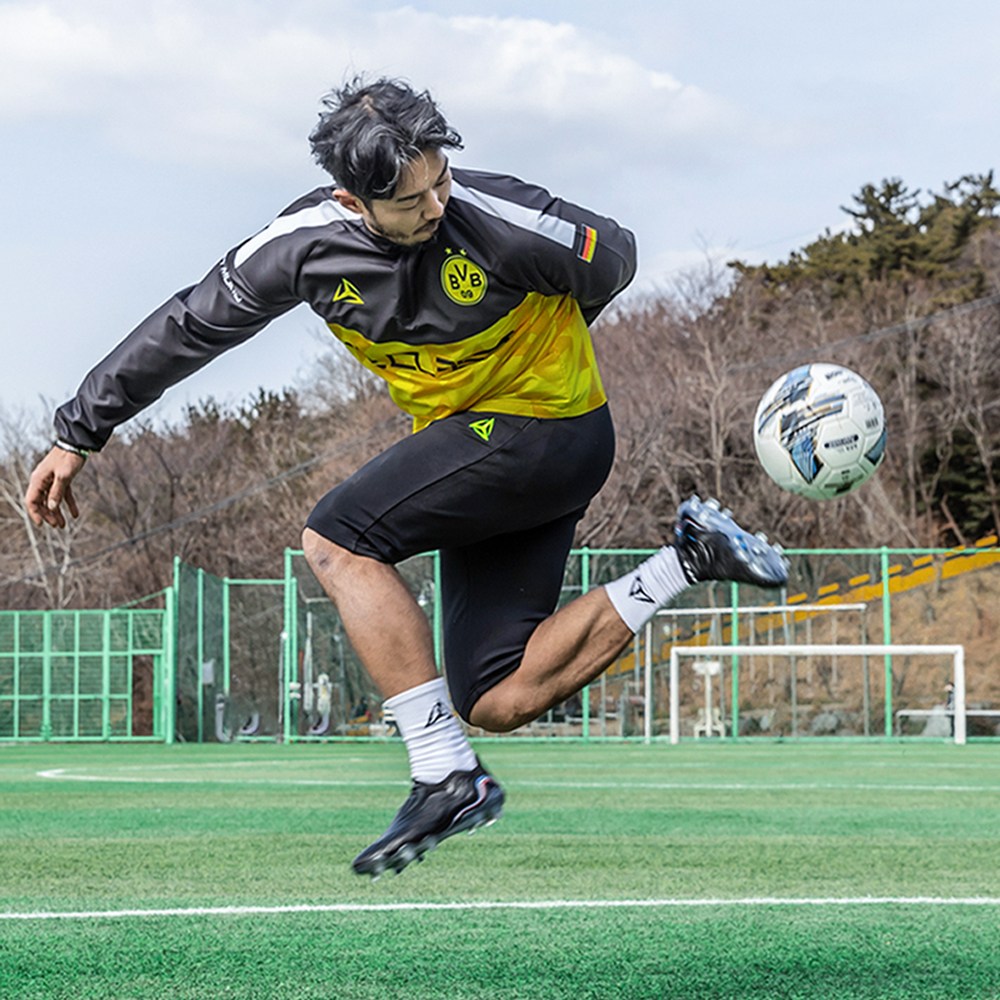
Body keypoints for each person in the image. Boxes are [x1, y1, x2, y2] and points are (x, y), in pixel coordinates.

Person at [24, 77, 787, 878]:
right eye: (411, 198)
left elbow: (614, 257)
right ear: (354, 201)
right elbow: (190, 324)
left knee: (337, 539)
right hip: (500, 454)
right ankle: (689, 558)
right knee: (497, 698)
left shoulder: (496, 219)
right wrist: (80, 430)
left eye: (442, 180)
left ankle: (443, 774)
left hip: (548, 429)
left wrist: (547, 332)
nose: (434, 206)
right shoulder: (301, 245)